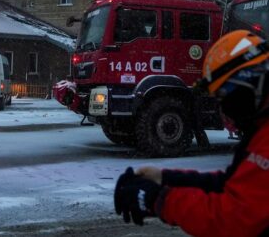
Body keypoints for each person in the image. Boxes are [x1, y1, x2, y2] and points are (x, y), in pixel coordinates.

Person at [114, 30, 269, 237]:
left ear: (253, 83)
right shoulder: (261, 127)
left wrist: (159, 200)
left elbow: (234, 219)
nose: (225, 110)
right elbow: (233, 183)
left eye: (226, 97)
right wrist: (167, 179)